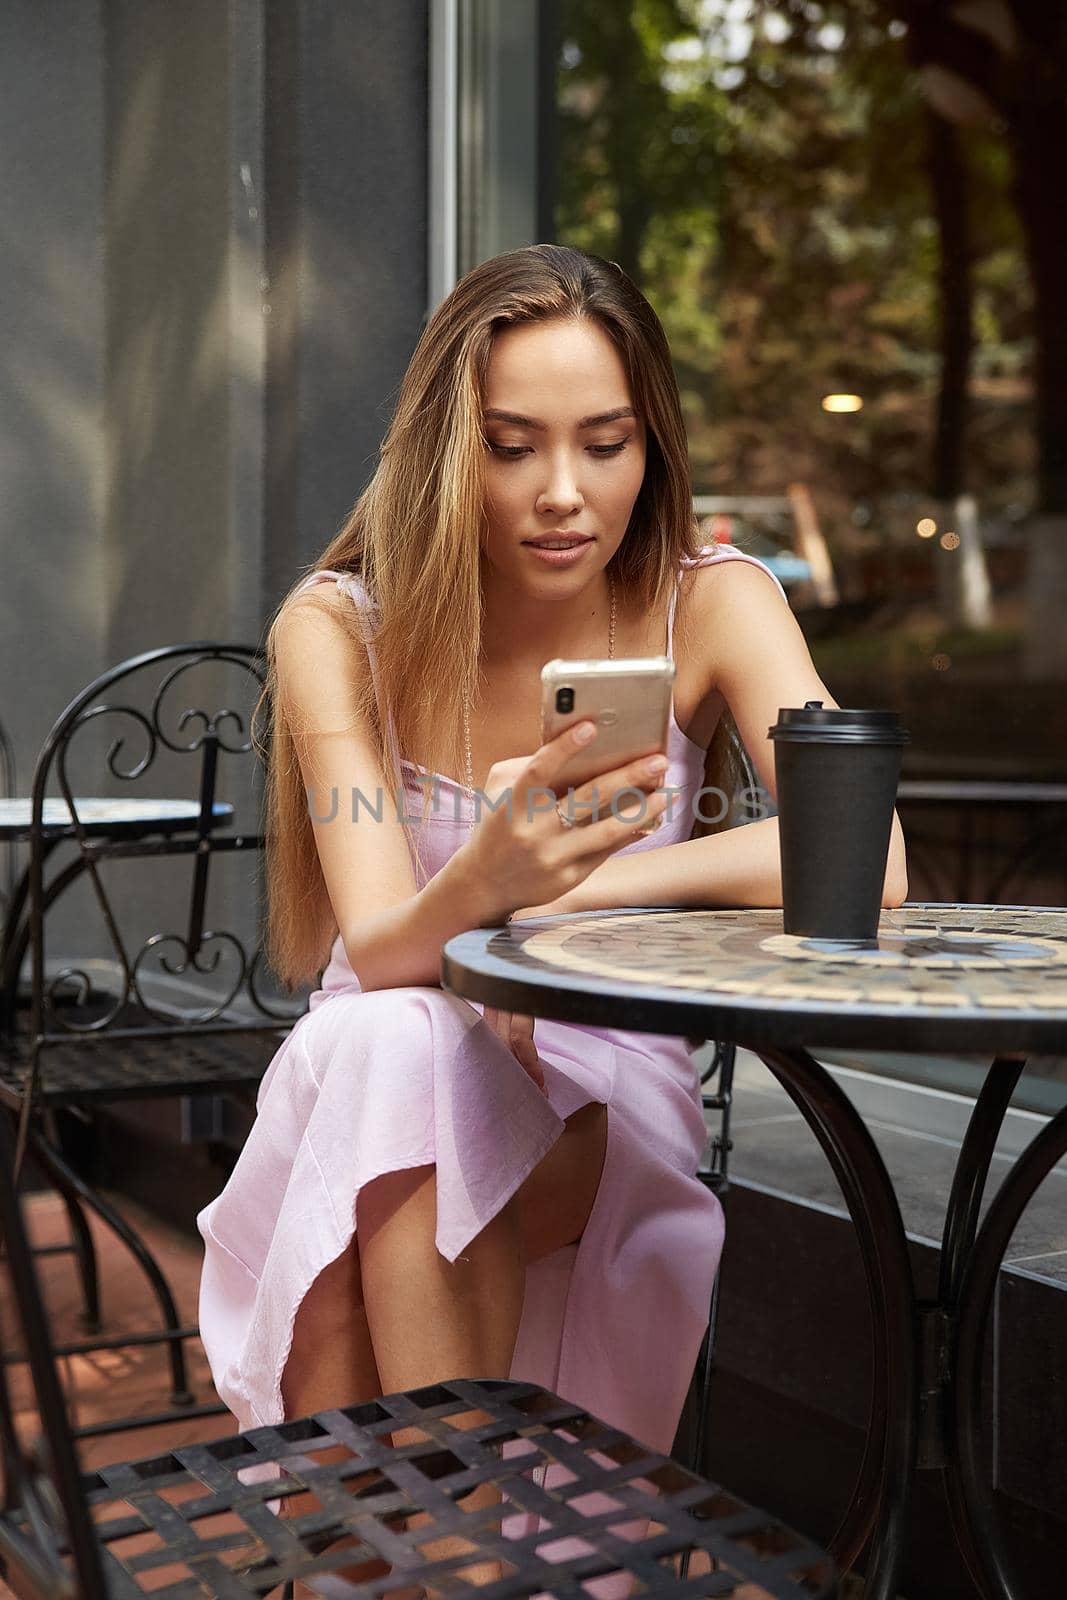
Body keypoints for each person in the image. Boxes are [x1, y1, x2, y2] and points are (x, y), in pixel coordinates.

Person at [197, 244, 907, 1498]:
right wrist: (489, 877)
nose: (563, 493)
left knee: (381, 1096)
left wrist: (573, 889)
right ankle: (454, 1563)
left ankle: (348, 1575)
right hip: (378, 1055)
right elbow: (381, 944)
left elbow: (868, 856)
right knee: (398, 1042)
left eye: (606, 443)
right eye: (512, 445)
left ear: (653, 445)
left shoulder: (711, 600)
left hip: (599, 1063)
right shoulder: (337, 627)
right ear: (442, 447)